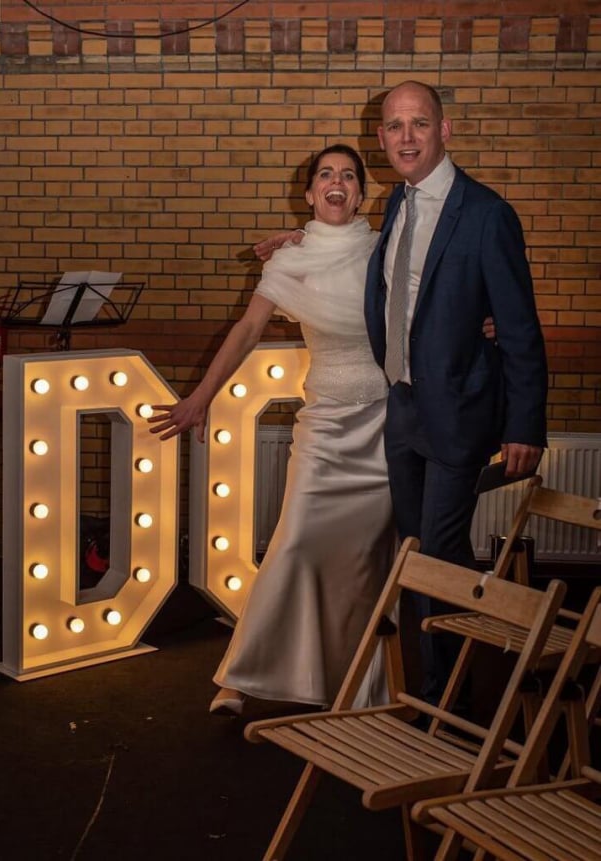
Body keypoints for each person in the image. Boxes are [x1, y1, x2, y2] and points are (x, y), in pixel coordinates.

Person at [259, 81, 548, 703]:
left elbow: (520, 325)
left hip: (457, 415)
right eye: (394, 126)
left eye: (420, 123)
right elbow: (367, 269)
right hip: (403, 410)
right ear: (383, 137)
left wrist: (525, 423)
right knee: (415, 553)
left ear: (445, 131)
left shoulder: (487, 213)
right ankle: (440, 675)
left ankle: (450, 701)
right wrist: (295, 241)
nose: (407, 136)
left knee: (438, 553)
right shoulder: (395, 207)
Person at [148, 144, 397, 715]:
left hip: (385, 428)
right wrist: (200, 396)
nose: (338, 183)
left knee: (364, 563)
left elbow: (434, 297)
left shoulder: (386, 249)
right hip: (328, 427)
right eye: (326, 175)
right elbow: (245, 330)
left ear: (362, 192)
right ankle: (243, 677)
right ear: (309, 193)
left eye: (349, 176)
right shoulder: (288, 261)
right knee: (293, 547)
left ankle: (359, 684)